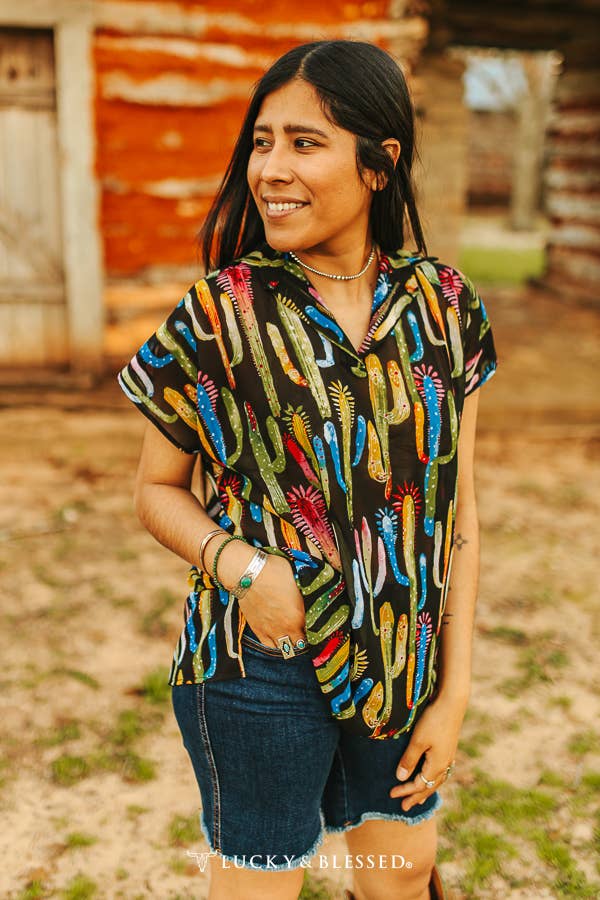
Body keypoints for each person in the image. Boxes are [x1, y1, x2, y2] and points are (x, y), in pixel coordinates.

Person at [117, 39, 498, 900]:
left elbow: (459, 515)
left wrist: (454, 693)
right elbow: (154, 490)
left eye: (305, 142)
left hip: (406, 662)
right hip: (263, 663)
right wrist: (248, 570)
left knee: (399, 883)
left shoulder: (445, 308)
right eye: (262, 141)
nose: (272, 168)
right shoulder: (220, 313)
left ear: (378, 164)